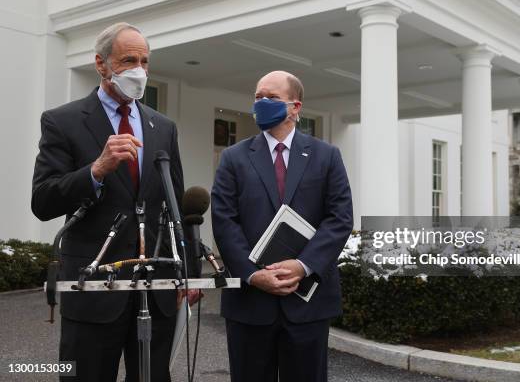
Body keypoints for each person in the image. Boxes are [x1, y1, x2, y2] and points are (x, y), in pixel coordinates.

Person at [31, 22, 200, 382]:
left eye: (144, 61)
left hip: (156, 289)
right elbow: (43, 201)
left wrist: (190, 271)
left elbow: (177, 204)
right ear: (101, 64)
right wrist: (96, 170)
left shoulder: (163, 127)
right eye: (128, 60)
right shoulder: (62, 122)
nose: (138, 69)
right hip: (93, 288)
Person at [211, 70, 353, 382]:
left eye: (272, 98)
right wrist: (252, 273)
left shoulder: (326, 155)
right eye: (258, 97)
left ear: (295, 106)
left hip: (308, 303)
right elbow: (224, 220)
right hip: (250, 302)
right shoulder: (233, 158)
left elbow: (340, 218)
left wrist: (304, 265)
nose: (262, 103)